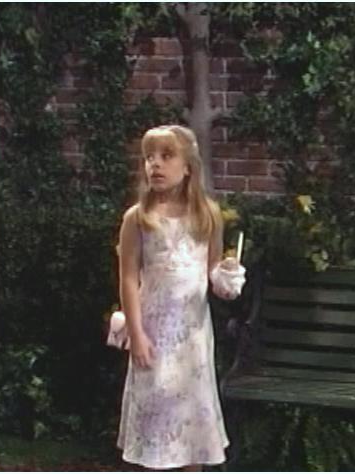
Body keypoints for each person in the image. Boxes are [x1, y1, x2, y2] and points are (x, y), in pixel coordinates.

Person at [116, 124, 243, 471]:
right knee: (157, 417)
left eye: (166, 156)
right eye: (149, 158)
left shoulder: (207, 215)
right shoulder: (138, 219)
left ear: (188, 167)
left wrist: (226, 276)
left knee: (192, 426)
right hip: (154, 334)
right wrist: (137, 334)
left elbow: (212, 272)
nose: (155, 164)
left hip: (193, 339)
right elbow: (128, 278)